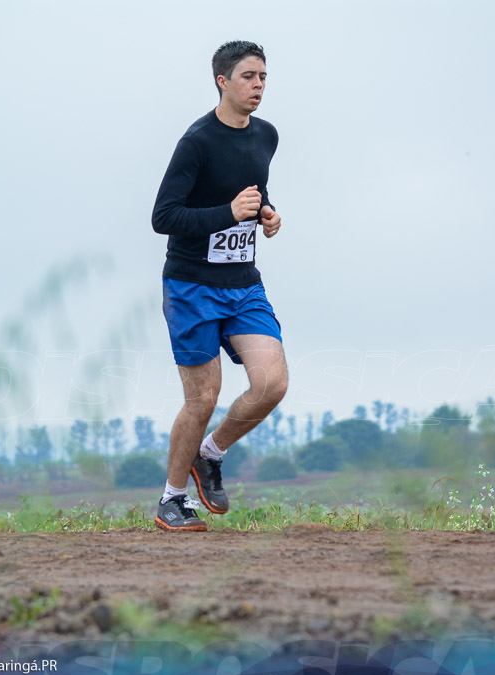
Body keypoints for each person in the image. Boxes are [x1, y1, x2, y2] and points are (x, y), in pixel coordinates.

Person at [150, 40, 287, 531]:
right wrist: (226, 215)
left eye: (264, 77)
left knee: (272, 384)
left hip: (243, 282)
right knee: (204, 397)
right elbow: (163, 216)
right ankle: (173, 499)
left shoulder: (266, 136)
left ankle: (210, 454)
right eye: (249, 77)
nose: (259, 86)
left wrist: (266, 214)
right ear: (222, 81)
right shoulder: (197, 142)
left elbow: (254, 189)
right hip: (191, 285)